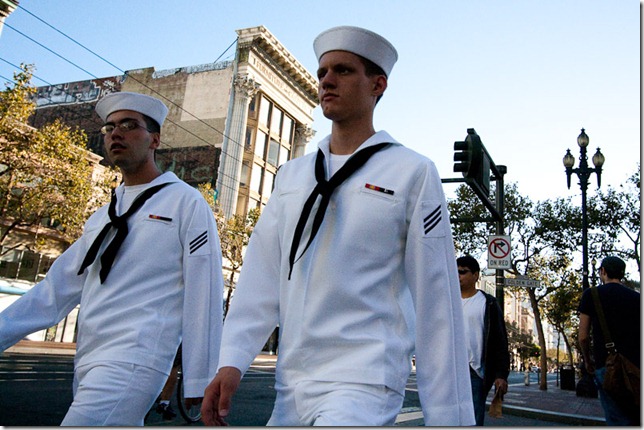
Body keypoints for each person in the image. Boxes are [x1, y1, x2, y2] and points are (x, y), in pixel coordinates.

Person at [201, 26, 475, 426]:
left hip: (364, 380)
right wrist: (232, 361)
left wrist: (450, 415)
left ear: (378, 85)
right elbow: (261, 274)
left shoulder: (412, 171)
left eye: (343, 71)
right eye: (323, 71)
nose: (327, 79)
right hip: (291, 382)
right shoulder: (291, 176)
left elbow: (437, 297)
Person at [0, 91, 224, 426]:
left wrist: (200, 375)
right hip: (89, 357)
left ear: (155, 139)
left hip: (136, 356)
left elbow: (204, 290)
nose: (115, 133)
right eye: (110, 127)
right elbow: (55, 290)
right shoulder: (102, 217)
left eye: (129, 125)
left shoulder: (186, 202)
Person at [578, 256, 640, 426]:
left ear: (603, 271)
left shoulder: (592, 295)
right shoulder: (637, 298)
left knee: (616, 418)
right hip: (635, 366)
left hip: (606, 364)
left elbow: (583, 336)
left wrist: (587, 360)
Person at [457, 255, 510, 426]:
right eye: (454, 272)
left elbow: (500, 341)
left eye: (462, 272)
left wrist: (501, 375)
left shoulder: (488, 304)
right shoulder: (447, 301)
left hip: (474, 371)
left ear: (475, 275)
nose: (457, 276)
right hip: (449, 369)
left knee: (472, 420)